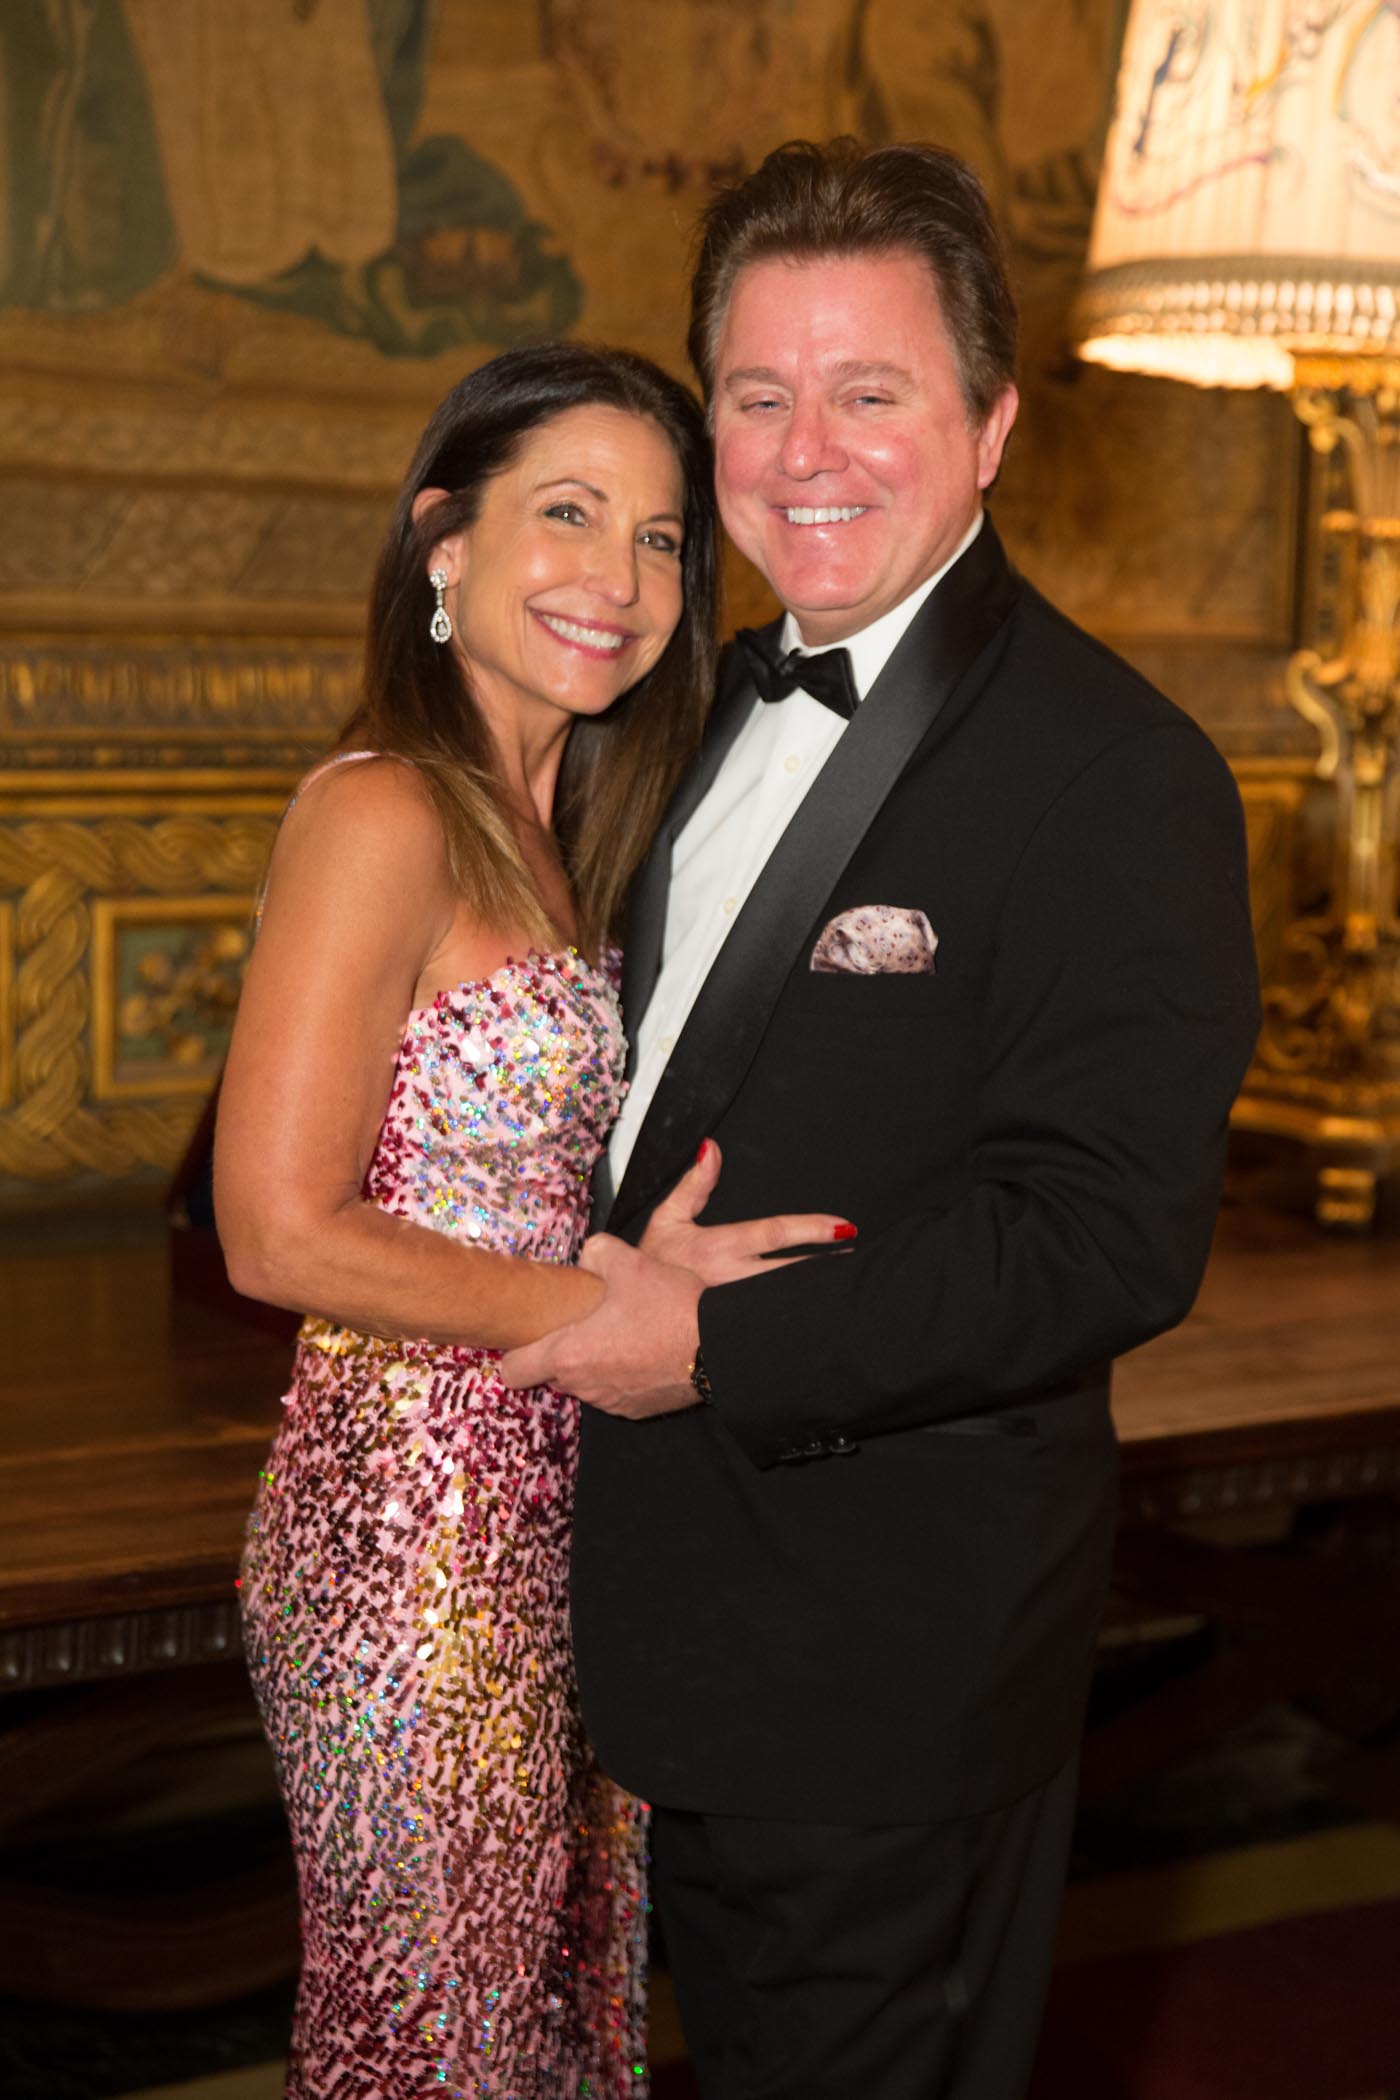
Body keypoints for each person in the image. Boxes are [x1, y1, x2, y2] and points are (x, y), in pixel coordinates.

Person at [500, 142, 1263, 2099]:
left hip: (877, 1678)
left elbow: (1102, 1236)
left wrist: (713, 1341)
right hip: (620, 1631)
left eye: (870, 391)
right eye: (758, 395)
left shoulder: (1116, 771)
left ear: (990, 425)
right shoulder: (661, 709)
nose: (805, 451)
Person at [215, 341, 845, 2099]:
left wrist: (647, 1274)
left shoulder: (575, 835)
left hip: (568, 1515)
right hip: (407, 1531)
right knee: (440, 2047)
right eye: (567, 513)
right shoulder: (382, 809)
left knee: (558, 2036)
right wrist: (597, 1312)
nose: (617, 579)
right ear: (444, 539)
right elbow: (276, 1230)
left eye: (660, 539)